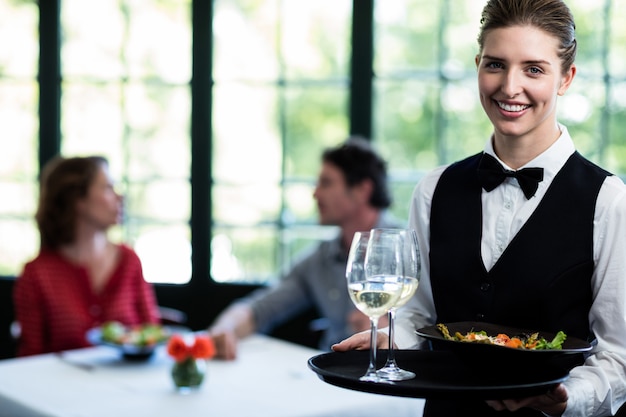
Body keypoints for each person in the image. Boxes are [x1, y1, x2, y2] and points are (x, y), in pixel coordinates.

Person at [332, 1, 626, 416]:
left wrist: (564, 398)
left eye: (534, 69)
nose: (509, 86)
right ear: (477, 66)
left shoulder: (609, 201)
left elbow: (618, 358)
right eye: (495, 65)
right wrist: (391, 341)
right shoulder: (433, 189)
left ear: (566, 78)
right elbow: (419, 315)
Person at [208, 137, 401, 360]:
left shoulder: (409, 256)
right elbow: (261, 308)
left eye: (326, 183)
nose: (315, 193)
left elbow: (433, 329)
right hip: (331, 379)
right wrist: (225, 328)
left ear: (362, 190)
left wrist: (392, 333)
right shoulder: (320, 260)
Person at [13, 156, 160, 356]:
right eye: (108, 188)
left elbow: (152, 335)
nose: (120, 197)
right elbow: (30, 358)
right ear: (77, 200)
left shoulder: (129, 260)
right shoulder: (37, 274)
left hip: (128, 383)